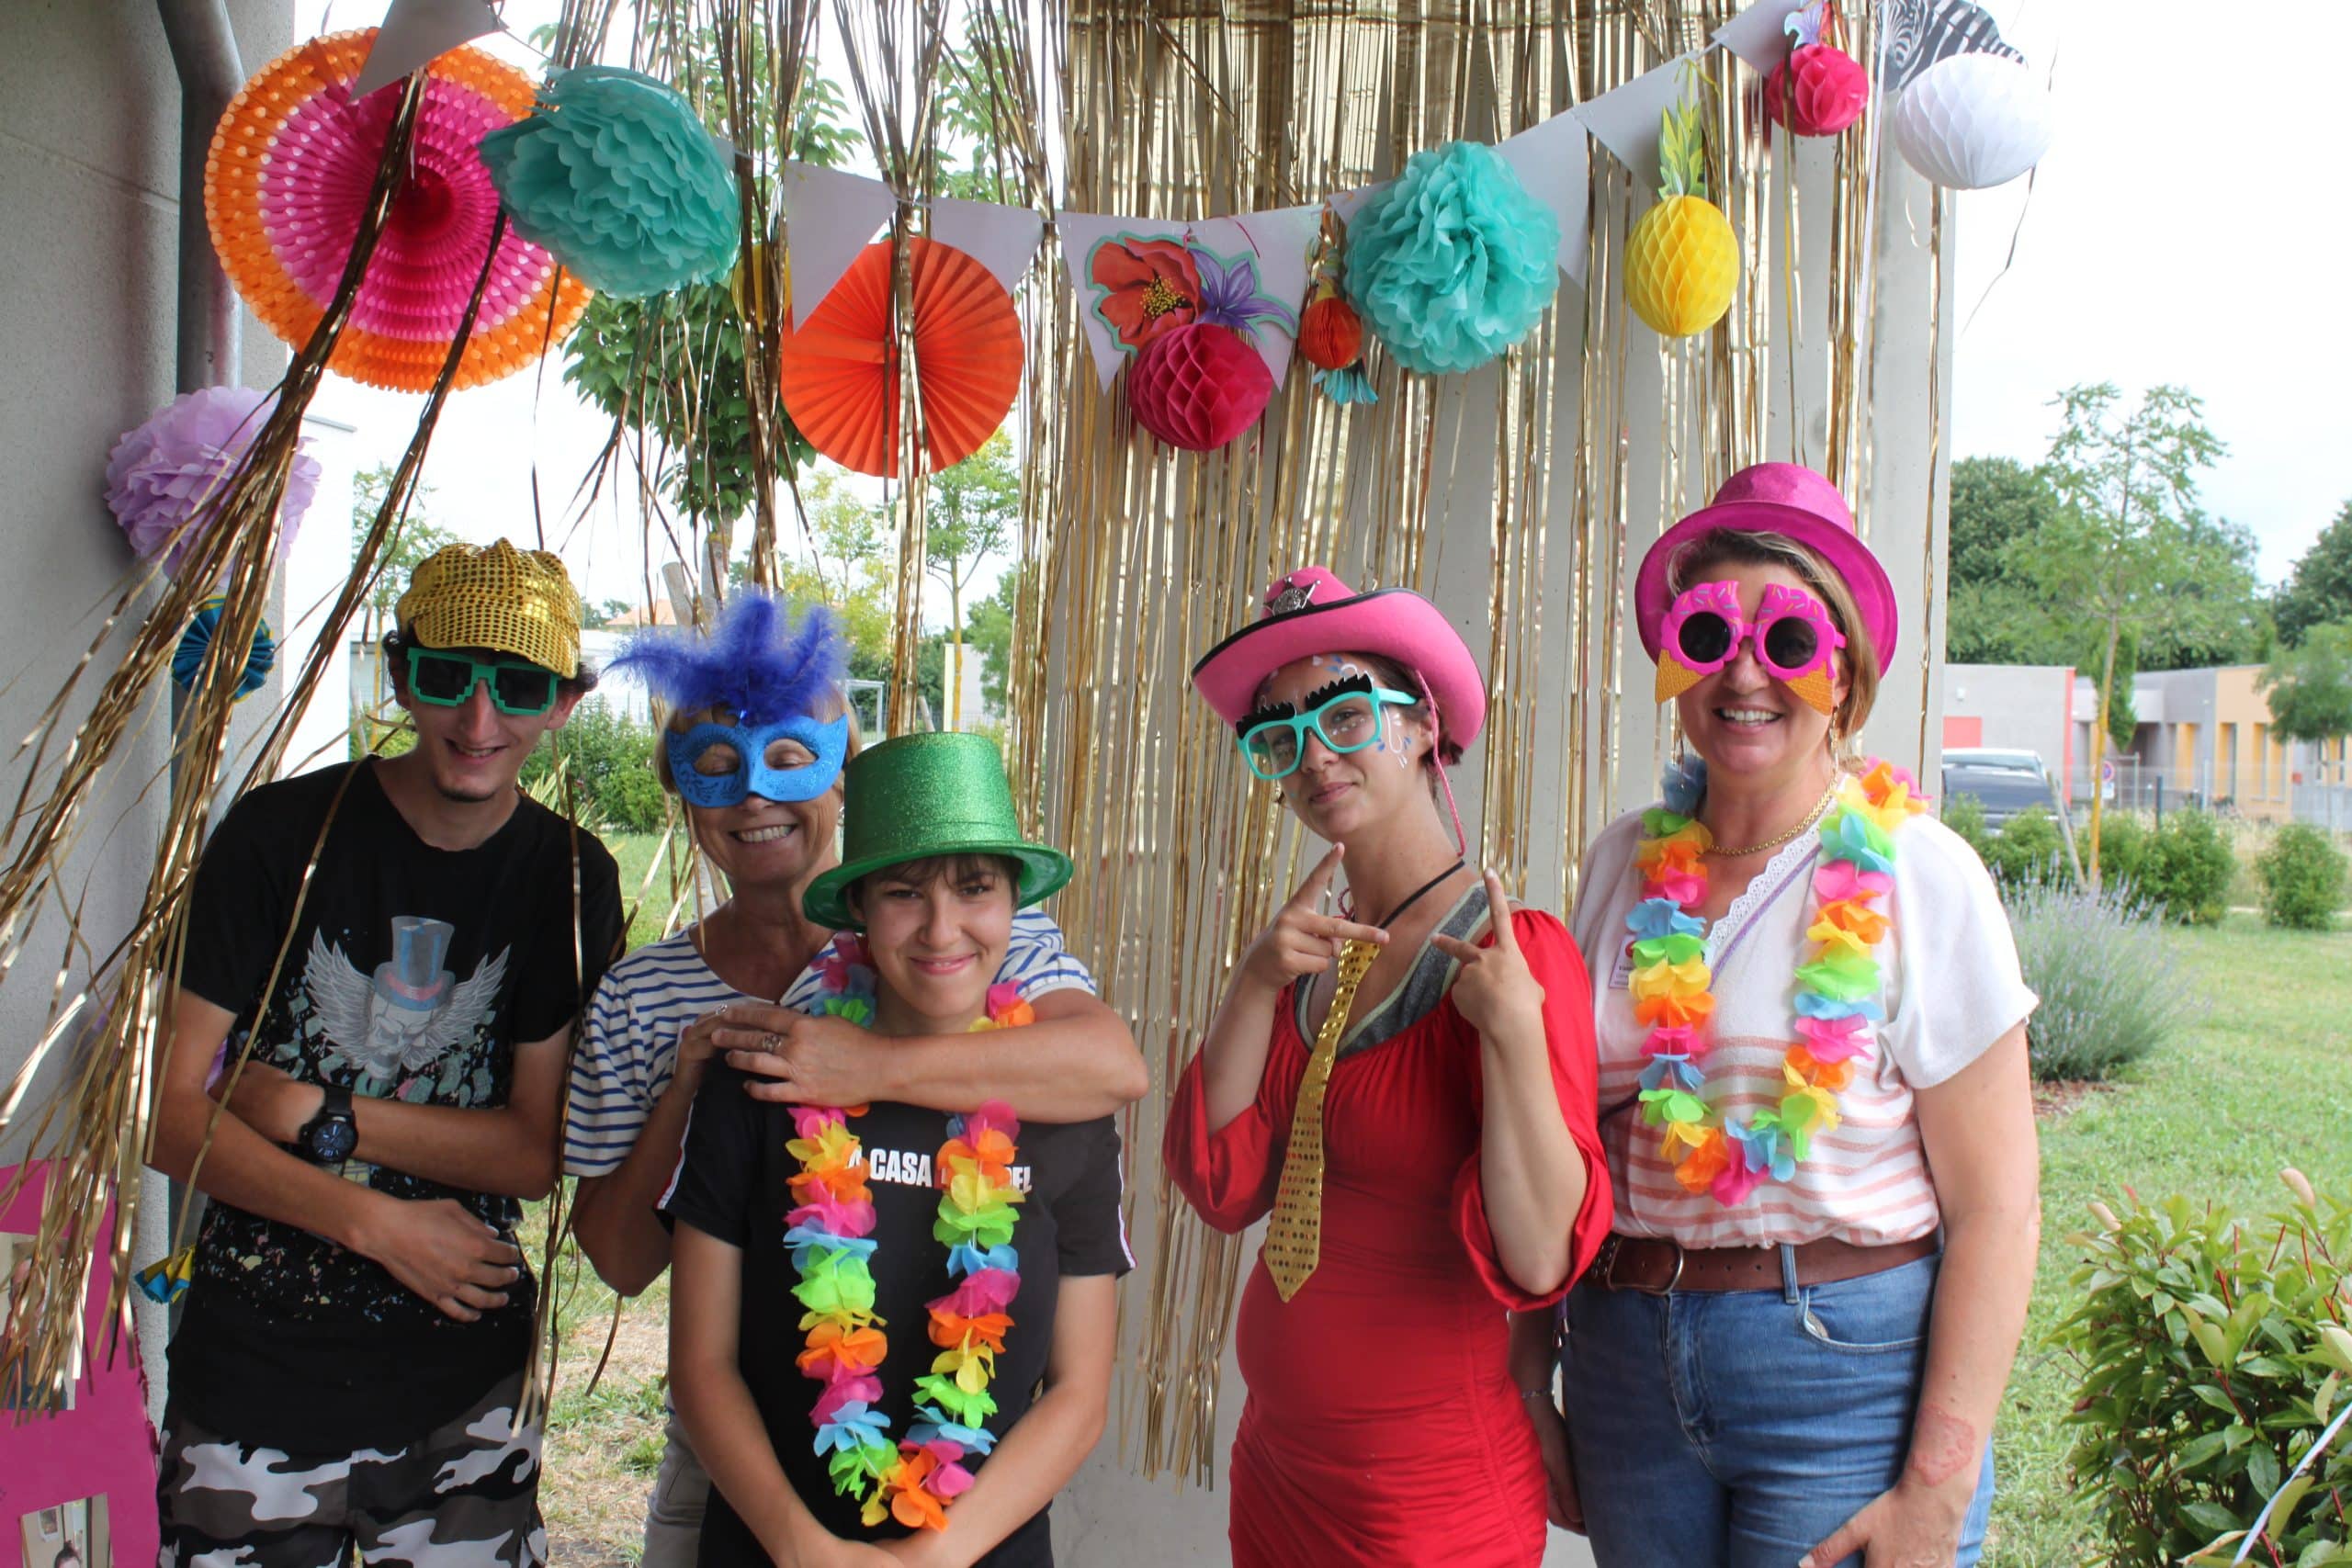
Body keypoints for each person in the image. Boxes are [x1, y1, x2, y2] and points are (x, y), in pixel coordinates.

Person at [563, 592, 1146, 1566]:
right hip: (746, 1461)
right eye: (716, 770)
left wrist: (868, 1062)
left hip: (967, 1515)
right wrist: (691, 1085)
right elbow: (628, 1271)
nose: (755, 797)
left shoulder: (996, 962)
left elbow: (1111, 1068)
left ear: (839, 774)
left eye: (789, 758)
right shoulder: (654, 1005)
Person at [1555, 463, 2041, 1567]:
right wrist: (1531, 1374)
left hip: (1842, 1372)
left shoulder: (1920, 869)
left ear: (1843, 677)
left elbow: (2000, 1208)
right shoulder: (1621, 863)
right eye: (1708, 632)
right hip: (1626, 1359)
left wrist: (1936, 1489)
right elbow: (1566, 1138)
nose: (1743, 673)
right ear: (1673, 662)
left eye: (1785, 640)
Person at [150, 539, 625, 1566]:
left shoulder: (568, 877)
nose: (479, 721)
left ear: (565, 701)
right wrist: (374, 1221)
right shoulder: (278, 837)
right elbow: (167, 1114)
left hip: (464, 1387)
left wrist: (322, 1115)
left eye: (520, 686)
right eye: (447, 676)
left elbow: (532, 1152)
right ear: (401, 674)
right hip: (252, 1374)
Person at [1161, 568, 1611, 1566]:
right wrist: (1249, 985)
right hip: (1279, 1469)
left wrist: (1514, 1037)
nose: (1313, 755)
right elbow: (1221, 1188)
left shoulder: (1514, 954)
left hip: (1425, 1495)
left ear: (1419, 728)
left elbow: (1538, 1259)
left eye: (1346, 715)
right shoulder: (1309, 955)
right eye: (1279, 737)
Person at [664, 730, 1132, 1566]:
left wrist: (936, 1560)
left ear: (1014, 902)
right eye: (905, 892)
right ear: (861, 910)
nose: (942, 928)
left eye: (975, 888)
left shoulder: (1068, 1110)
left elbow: (1078, 1393)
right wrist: (805, 1550)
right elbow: (700, 1366)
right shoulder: (760, 1086)